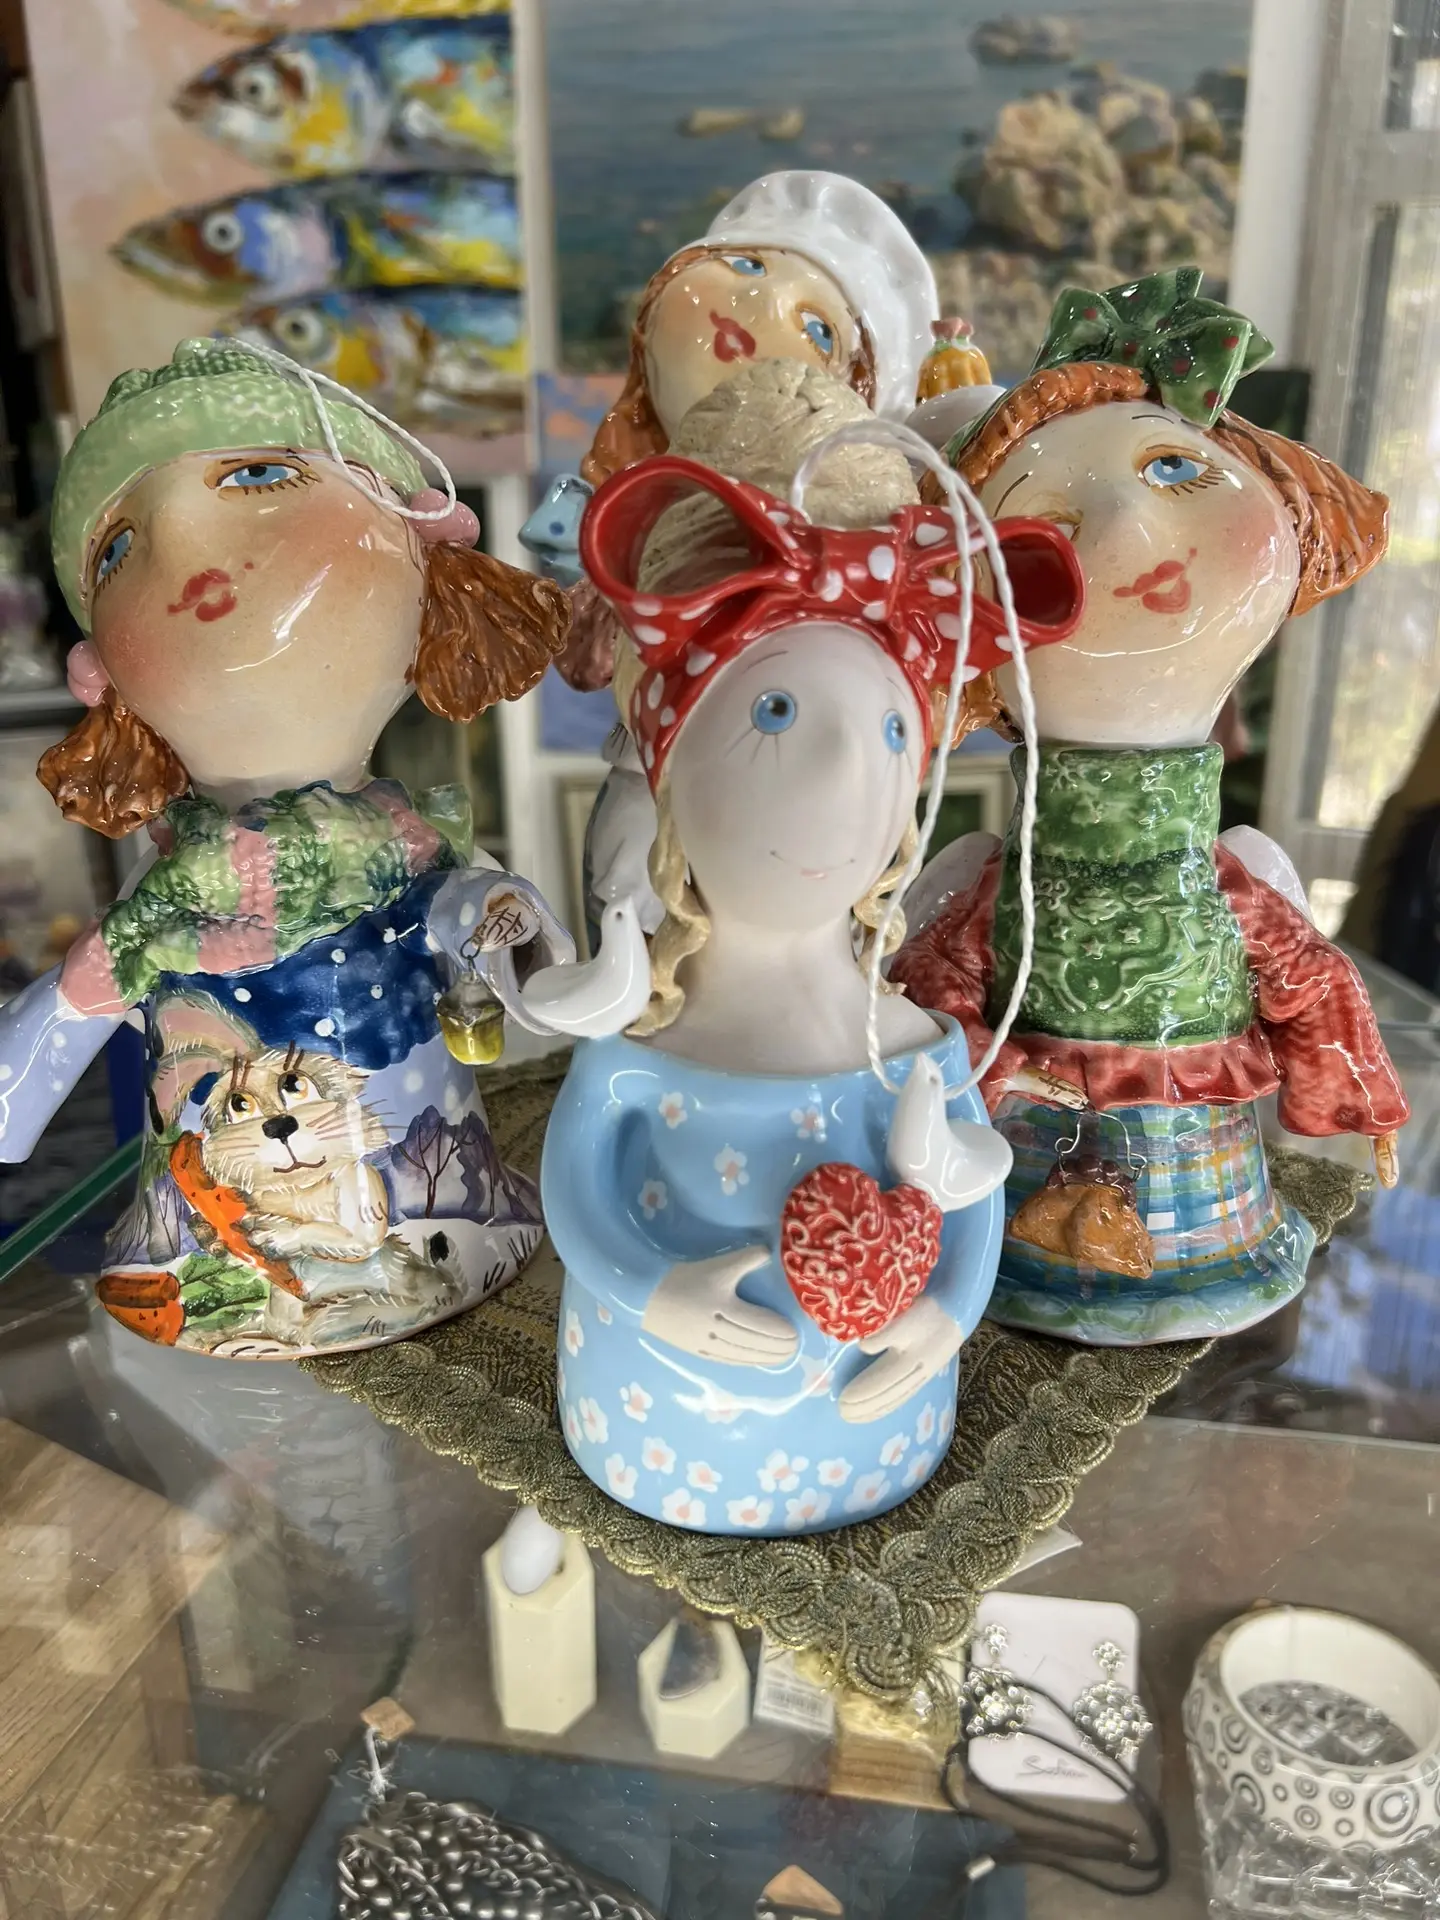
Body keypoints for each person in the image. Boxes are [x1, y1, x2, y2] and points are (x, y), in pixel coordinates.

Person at [892, 268, 1409, 1345]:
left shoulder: (1241, 880)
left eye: (1174, 468)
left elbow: (1307, 981)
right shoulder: (988, 882)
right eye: (1049, 519)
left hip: (1211, 1198)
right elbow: (928, 1003)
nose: (1126, 528)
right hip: (1006, 1196)